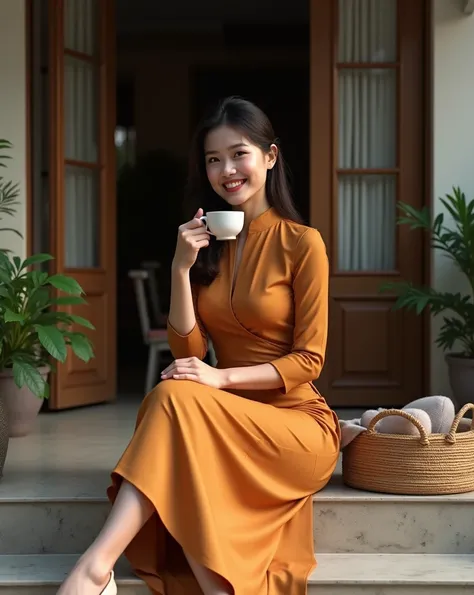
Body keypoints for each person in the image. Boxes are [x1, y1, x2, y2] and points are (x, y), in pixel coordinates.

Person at [57, 96, 340, 595]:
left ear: (270, 157)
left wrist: (219, 377)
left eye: (239, 154)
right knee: (172, 400)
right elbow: (188, 350)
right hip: (221, 416)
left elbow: (309, 360)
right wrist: (181, 268)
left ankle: (92, 569)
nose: (226, 170)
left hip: (296, 425)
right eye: (213, 159)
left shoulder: (302, 243)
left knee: (173, 400)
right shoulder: (209, 247)